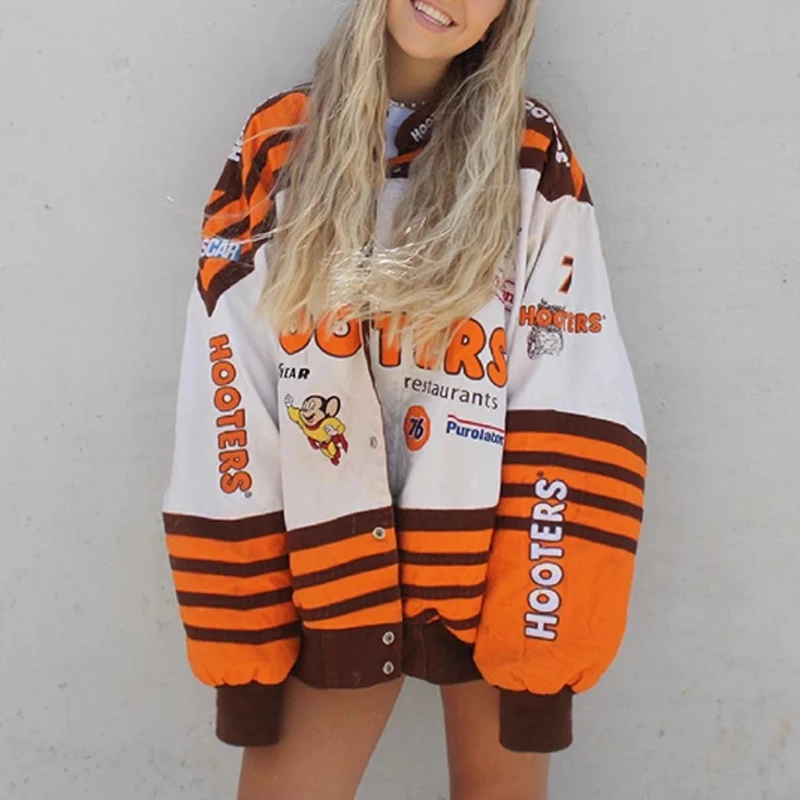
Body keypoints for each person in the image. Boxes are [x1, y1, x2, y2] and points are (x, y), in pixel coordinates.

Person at [161, 0, 648, 798]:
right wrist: (244, 643)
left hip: (492, 573)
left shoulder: (530, 154)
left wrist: (540, 638)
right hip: (328, 575)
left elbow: (570, 393)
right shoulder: (280, 143)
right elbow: (229, 396)